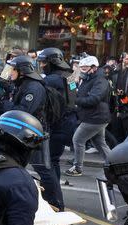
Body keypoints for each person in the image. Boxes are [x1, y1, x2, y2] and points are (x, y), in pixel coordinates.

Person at [2, 55, 63, 209]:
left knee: (43, 168)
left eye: (13, 70)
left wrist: (6, 104)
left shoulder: (34, 87)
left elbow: (24, 111)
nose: (10, 73)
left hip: (35, 134)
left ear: (22, 71)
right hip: (26, 133)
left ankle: (55, 203)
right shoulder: (24, 84)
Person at [64, 55, 112, 178]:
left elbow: (94, 99)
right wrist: (72, 78)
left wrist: (76, 101)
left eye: (84, 68)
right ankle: (114, 165)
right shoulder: (88, 79)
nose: (82, 71)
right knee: (99, 143)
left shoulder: (100, 80)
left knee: (78, 139)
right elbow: (74, 92)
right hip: (95, 116)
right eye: (81, 68)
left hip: (95, 117)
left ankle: (77, 168)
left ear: (93, 68)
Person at [37, 47, 77, 194]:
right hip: (69, 123)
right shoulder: (69, 75)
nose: (41, 65)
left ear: (52, 62)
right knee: (54, 160)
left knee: (47, 164)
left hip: (56, 125)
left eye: (43, 63)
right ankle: (56, 192)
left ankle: (52, 195)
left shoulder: (51, 79)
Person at [108, 52, 128, 142]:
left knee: (127, 131)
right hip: (116, 104)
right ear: (122, 59)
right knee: (116, 131)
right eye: (127, 59)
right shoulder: (115, 71)